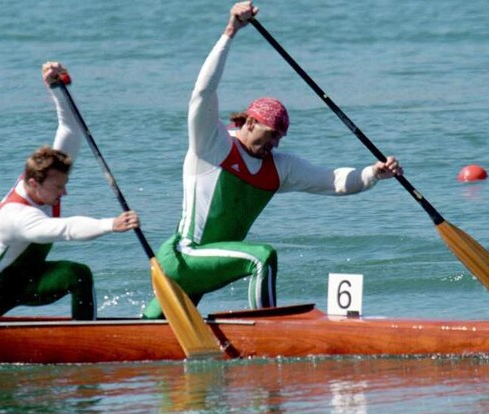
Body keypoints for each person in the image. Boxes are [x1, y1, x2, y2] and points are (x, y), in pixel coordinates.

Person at [141, 1, 403, 319]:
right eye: (270, 134)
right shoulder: (212, 145)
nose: (274, 142)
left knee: (145, 331)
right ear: (249, 123)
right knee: (261, 257)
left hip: (212, 264)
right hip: (184, 257)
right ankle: (268, 330)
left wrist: (373, 173)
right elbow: (202, 93)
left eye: (280, 137)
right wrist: (230, 32)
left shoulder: (279, 167)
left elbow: (333, 181)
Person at [0, 62, 140, 323]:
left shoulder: (47, 179)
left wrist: (58, 87)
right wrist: (110, 225)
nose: (64, 193)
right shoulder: (14, 216)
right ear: (33, 183)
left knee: (78, 274)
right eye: (58, 187)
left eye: (63, 184)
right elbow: (65, 230)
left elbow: (71, 130)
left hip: (30, 281)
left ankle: (84, 337)